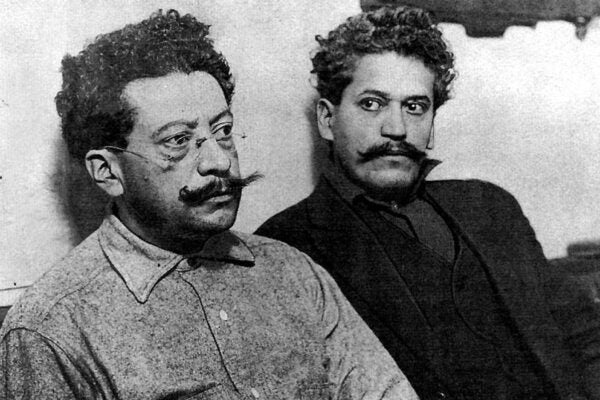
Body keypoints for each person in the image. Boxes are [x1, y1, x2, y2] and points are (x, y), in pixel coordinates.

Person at [0, 10, 418, 400]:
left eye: (223, 131)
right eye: (177, 141)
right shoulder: (51, 331)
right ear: (108, 172)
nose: (219, 160)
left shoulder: (295, 273)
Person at [256, 6, 600, 400]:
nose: (396, 128)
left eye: (415, 107)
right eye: (372, 103)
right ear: (326, 119)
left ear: (431, 122)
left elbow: (586, 337)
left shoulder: (490, 206)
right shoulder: (286, 249)